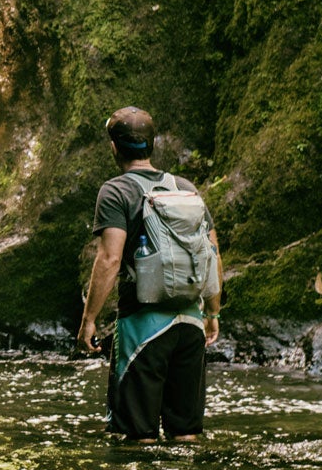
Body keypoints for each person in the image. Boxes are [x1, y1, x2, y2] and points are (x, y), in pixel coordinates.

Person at [76, 106, 222, 442]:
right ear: (152, 144)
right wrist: (212, 313)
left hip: (143, 327)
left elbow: (110, 259)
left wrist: (89, 321)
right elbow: (212, 254)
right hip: (190, 324)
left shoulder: (115, 191)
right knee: (187, 436)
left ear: (114, 147)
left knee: (137, 439)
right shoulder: (185, 188)